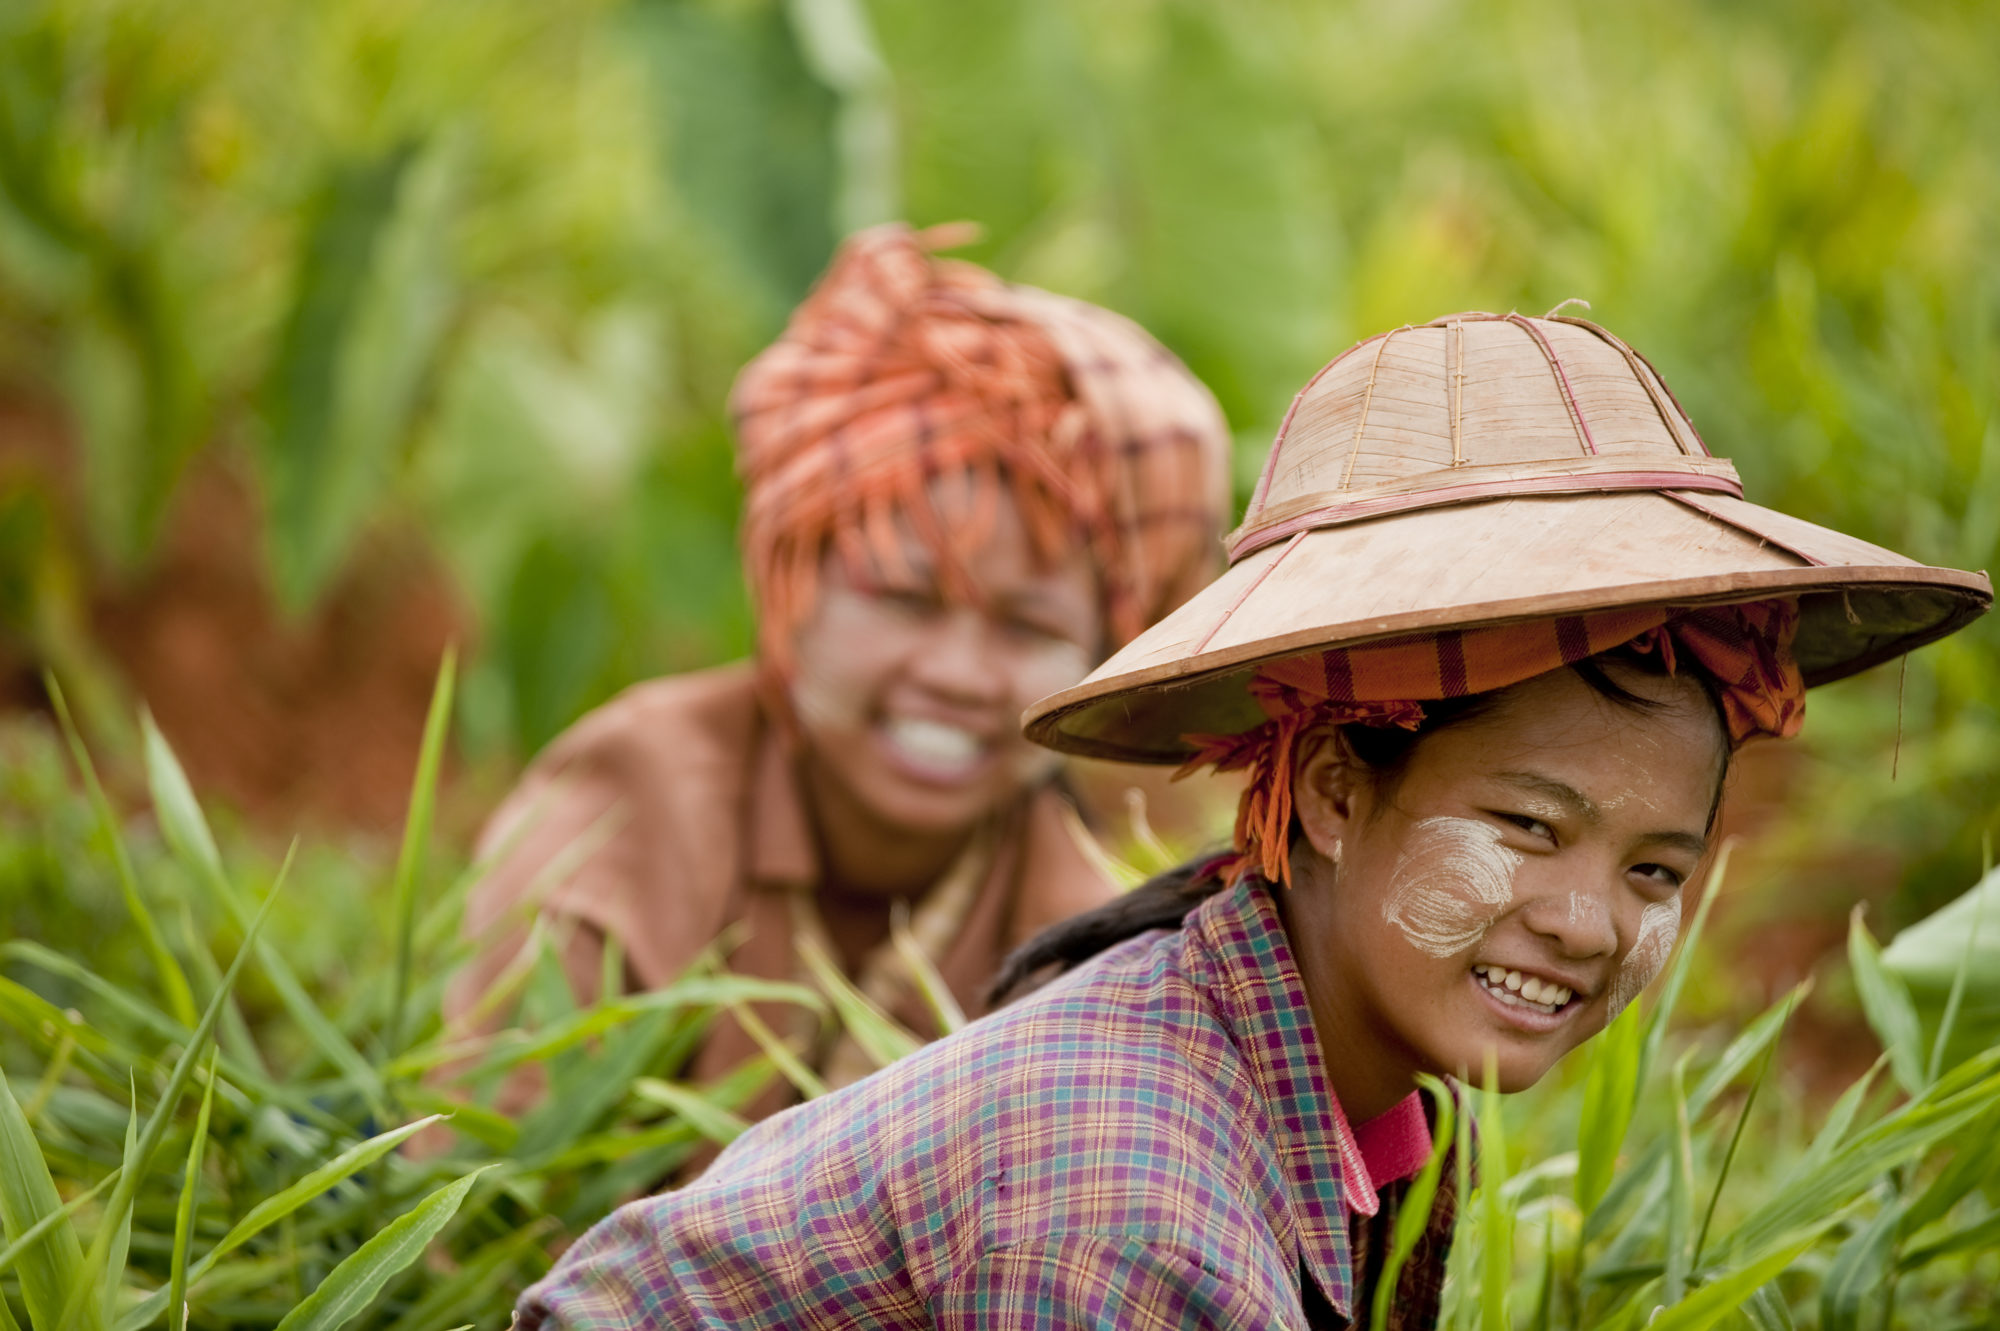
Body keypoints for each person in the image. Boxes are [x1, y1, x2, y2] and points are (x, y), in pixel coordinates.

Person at [513, 310, 1990, 1328]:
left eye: (1655, 865)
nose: (1592, 918)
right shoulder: (1138, 1184)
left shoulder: (1362, 1105)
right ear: (1340, 791)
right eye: (1530, 829)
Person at [442, 223, 1233, 1121]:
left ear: (1102, 652)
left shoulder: (1089, 943)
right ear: (793, 584)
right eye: (903, 599)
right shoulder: (635, 801)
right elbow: (492, 1171)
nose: (958, 673)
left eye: (1027, 624)